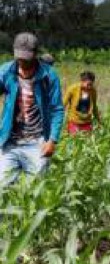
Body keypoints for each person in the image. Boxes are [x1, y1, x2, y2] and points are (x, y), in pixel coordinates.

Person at [0, 32, 64, 186]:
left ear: (35, 54)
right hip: (10, 141)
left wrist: (52, 140)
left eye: (26, 58)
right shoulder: (6, 71)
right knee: (2, 186)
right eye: (19, 57)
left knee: (35, 190)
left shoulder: (49, 75)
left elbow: (57, 109)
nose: (22, 61)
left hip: (37, 142)